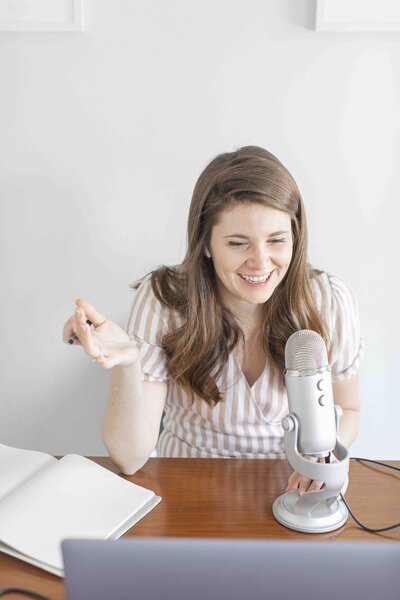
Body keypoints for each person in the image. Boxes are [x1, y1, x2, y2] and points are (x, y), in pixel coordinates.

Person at [63, 146, 363, 495]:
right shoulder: (164, 299)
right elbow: (129, 459)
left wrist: (323, 452)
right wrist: (128, 363)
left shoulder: (329, 301)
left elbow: (349, 408)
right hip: (185, 489)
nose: (261, 262)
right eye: (238, 244)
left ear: (295, 236)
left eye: (277, 240)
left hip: (290, 489)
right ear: (206, 243)